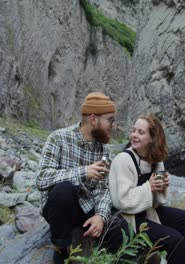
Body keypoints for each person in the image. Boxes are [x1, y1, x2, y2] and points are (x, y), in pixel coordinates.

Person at [36, 92, 123, 264]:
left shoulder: (104, 149)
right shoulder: (58, 138)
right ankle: (60, 249)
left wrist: (101, 216)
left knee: (120, 229)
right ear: (93, 119)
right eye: (110, 120)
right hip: (59, 209)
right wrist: (83, 172)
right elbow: (42, 179)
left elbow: (103, 189)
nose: (113, 125)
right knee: (64, 189)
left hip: (87, 210)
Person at [109, 114, 185, 264]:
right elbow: (121, 201)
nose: (134, 135)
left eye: (140, 132)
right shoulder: (123, 160)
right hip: (127, 218)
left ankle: (180, 257)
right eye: (134, 131)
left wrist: (161, 188)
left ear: (152, 138)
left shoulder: (156, 161)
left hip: (147, 212)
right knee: (174, 239)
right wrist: (148, 187)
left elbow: (156, 203)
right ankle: (179, 255)